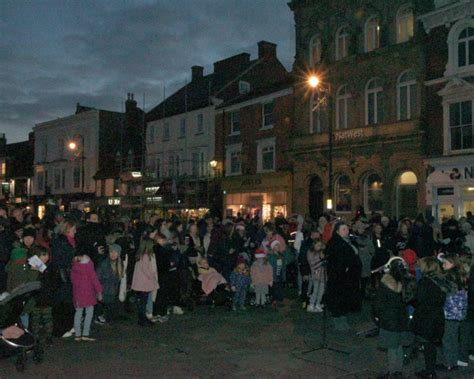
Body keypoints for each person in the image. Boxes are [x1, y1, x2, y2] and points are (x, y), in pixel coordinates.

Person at [413, 257, 453, 379]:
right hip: (437, 316)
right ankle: (430, 368)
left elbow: (419, 300)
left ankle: (429, 371)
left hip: (426, 318)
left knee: (427, 345)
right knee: (431, 344)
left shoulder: (425, 282)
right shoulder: (441, 280)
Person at [374, 257, 410, 379]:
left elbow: (379, 304)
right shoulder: (407, 282)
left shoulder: (385, 284)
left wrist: (377, 316)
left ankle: (390, 371)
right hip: (402, 319)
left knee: (391, 347)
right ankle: (398, 370)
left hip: (389, 319)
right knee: (399, 345)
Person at [325, 222, 362, 331]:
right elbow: (336, 260)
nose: (346, 231)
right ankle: (337, 321)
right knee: (338, 298)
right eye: (343, 229)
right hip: (339, 277)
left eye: (347, 229)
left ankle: (343, 319)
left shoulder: (349, 241)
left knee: (345, 298)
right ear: (337, 231)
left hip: (349, 277)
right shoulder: (335, 243)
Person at [439, 254, 469, 370]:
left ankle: (448, 363)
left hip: (450, 312)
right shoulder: (461, 275)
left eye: (445, 263)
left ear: (452, 264)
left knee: (447, 339)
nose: (443, 265)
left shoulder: (449, 277)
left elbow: (445, 293)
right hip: (460, 312)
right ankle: (453, 361)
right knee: (454, 338)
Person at [50, 220, 77, 338]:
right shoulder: (61, 242)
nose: (75, 231)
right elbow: (60, 259)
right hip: (62, 276)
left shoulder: (68, 241)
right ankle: (60, 329)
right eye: (73, 229)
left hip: (67, 274)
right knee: (62, 303)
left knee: (68, 302)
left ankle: (68, 325)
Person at [71, 253, 103, 341]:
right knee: (89, 313)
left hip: (78, 294)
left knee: (78, 313)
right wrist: (99, 291)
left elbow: (73, 281)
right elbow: (94, 279)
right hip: (89, 294)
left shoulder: (74, 267)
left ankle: (77, 334)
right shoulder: (88, 266)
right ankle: (85, 333)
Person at [131, 228, 159, 327]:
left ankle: (142, 318)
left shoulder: (140, 255)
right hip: (144, 283)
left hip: (141, 282)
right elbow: (146, 269)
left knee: (142, 301)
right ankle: (142, 319)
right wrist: (152, 277)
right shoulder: (146, 256)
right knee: (143, 302)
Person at [96, 244, 124, 324]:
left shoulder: (119, 264)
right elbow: (97, 279)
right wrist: (99, 292)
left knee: (111, 314)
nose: (113, 254)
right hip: (104, 292)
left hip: (113, 293)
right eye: (111, 251)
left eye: (115, 252)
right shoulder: (104, 264)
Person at [306, 241, 327, 313]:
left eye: (320, 245)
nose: (319, 247)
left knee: (321, 291)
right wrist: (321, 260)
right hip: (315, 274)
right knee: (315, 290)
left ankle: (318, 303)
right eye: (318, 245)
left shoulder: (322, 252)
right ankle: (311, 304)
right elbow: (312, 264)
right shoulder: (310, 253)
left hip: (323, 274)